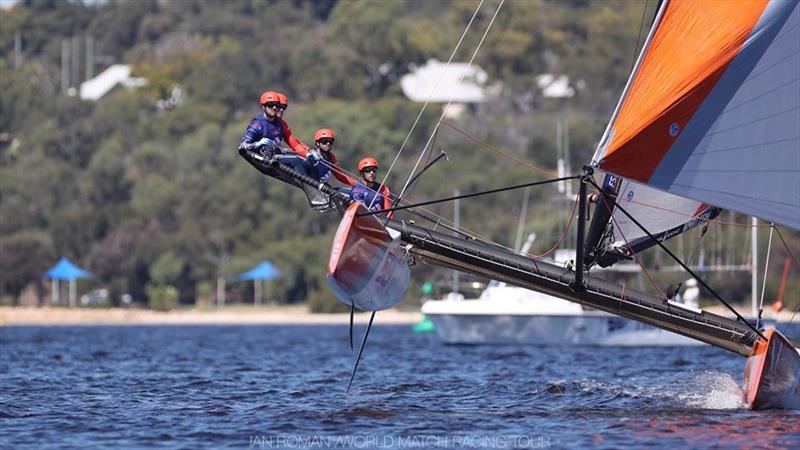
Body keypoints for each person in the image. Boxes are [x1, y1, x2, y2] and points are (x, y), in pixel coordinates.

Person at [239, 90, 309, 157]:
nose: (278, 109)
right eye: (271, 105)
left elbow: (295, 145)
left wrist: (307, 154)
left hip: (277, 159)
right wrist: (257, 144)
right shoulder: (257, 124)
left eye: (282, 107)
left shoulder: (281, 124)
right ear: (263, 107)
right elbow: (243, 145)